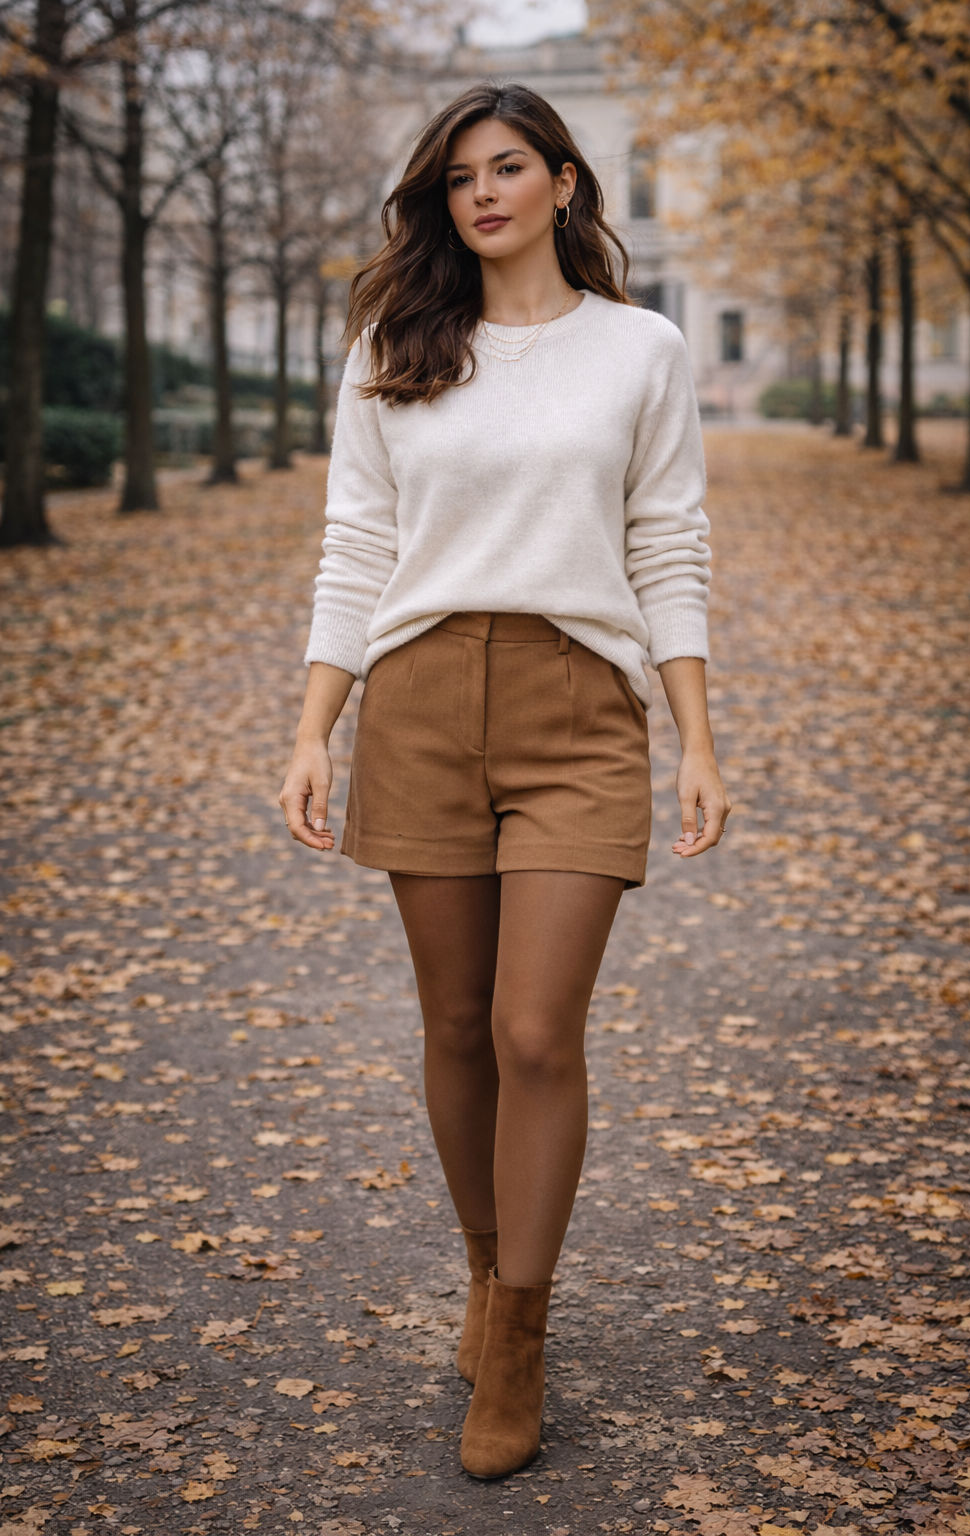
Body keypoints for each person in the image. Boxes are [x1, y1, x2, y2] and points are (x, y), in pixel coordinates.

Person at [279, 80, 731, 1481]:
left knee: (537, 1030)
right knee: (460, 1025)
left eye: (510, 166)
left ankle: (522, 1333)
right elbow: (358, 544)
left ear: (563, 183)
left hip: (577, 707)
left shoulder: (641, 349)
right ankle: (485, 1275)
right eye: (461, 175)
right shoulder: (396, 345)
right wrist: (313, 728)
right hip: (418, 703)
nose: (483, 193)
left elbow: (668, 542)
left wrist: (697, 739)